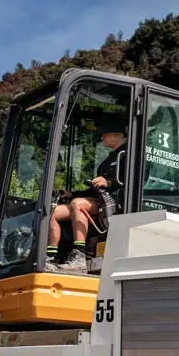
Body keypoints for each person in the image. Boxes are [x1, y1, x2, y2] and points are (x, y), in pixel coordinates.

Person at [45, 117, 127, 273]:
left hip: (115, 203)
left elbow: (132, 181)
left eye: (105, 133)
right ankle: (51, 256)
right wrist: (72, 194)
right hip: (98, 199)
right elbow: (94, 190)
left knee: (78, 204)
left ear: (117, 135)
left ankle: (79, 255)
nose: (102, 137)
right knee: (54, 211)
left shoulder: (128, 154)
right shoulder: (109, 159)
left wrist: (109, 182)